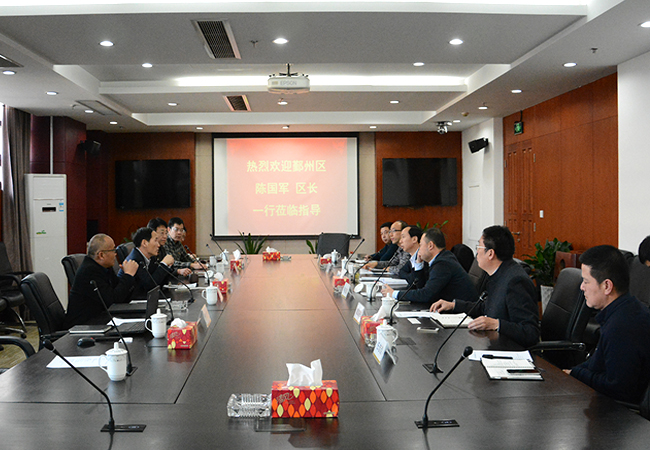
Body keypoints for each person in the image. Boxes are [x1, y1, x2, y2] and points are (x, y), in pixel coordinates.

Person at [564, 245, 650, 404]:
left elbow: (618, 388)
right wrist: (572, 372)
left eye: (586, 281)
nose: (582, 287)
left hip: (620, 413)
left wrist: (575, 374)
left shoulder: (622, 326)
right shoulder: (625, 309)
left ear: (607, 286)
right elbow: (596, 363)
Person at [430, 225, 540, 348]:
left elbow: (531, 332)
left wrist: (497, 324)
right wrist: (453, 305)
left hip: (509, 351)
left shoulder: (516, 282)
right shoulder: (498, 274)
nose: (477, 252)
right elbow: (486, 307)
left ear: (490, 253)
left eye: (479, 247)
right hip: (494, 344)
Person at [383, 227, 477, 306]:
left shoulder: (443, 264)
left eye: (421, 245)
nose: (419, 249)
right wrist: (418, 265)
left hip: (462, 314)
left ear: (430, 246)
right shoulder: (440, 259)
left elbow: (426, 295)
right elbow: (421, 287)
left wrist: (394, 294)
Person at [63, 234, 138, 328]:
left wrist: (128, 276)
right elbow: (114, 300)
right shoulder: (89, 271)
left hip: (100, 319)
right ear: (101, 255)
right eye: (113, 250)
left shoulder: (105, 267)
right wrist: (128, 275)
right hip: (83, 326)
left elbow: (121, 296)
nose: (115, 254)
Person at [119, 227, 174, 299]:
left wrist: (168, 265)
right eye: (155, 240)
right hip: (131, 302)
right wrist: (164, 264)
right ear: (144, 243)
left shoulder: (151, 258)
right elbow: (150, 286)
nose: (158, 245)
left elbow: (160, 281)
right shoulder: (134, 260)